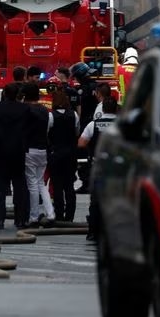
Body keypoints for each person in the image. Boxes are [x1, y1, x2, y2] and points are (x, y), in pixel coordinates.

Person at [0, 83, 30, 229]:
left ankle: (0, 219)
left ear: (3, 93)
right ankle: (20, 218)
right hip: (17, 151)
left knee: (0, 187)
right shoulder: (24, 109)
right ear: (17, 95)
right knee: (19, 186)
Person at [79, 96, 119, 241]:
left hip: (98, 166)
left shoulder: (93, 124)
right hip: (117, 168)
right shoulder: (122, 126)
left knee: (96, 200)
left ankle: (93, 231)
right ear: (116, 109)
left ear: (102, 109)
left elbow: (81, 143)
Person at [22, 83, 55, 227]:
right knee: (41, 183)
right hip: (43, 149)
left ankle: (34, 217)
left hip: (30, 149)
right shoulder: (45, 111)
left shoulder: (25, 110)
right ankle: (50, 213)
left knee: (32, 184)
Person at [49, 89, 80, 222]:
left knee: (57, 186)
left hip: (56, 154)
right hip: (70, 154)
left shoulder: (51, 116)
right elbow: (77, 132)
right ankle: (70, 216)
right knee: (69, 185)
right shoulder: (74, 115)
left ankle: (59, 214)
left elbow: (47, 134)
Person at [72, 62, 99, 195]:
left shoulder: (83, 90)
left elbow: (79, 107)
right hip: (97, 124)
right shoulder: (96, 86)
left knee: (83, 154)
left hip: (86, 124)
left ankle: (86, 181)